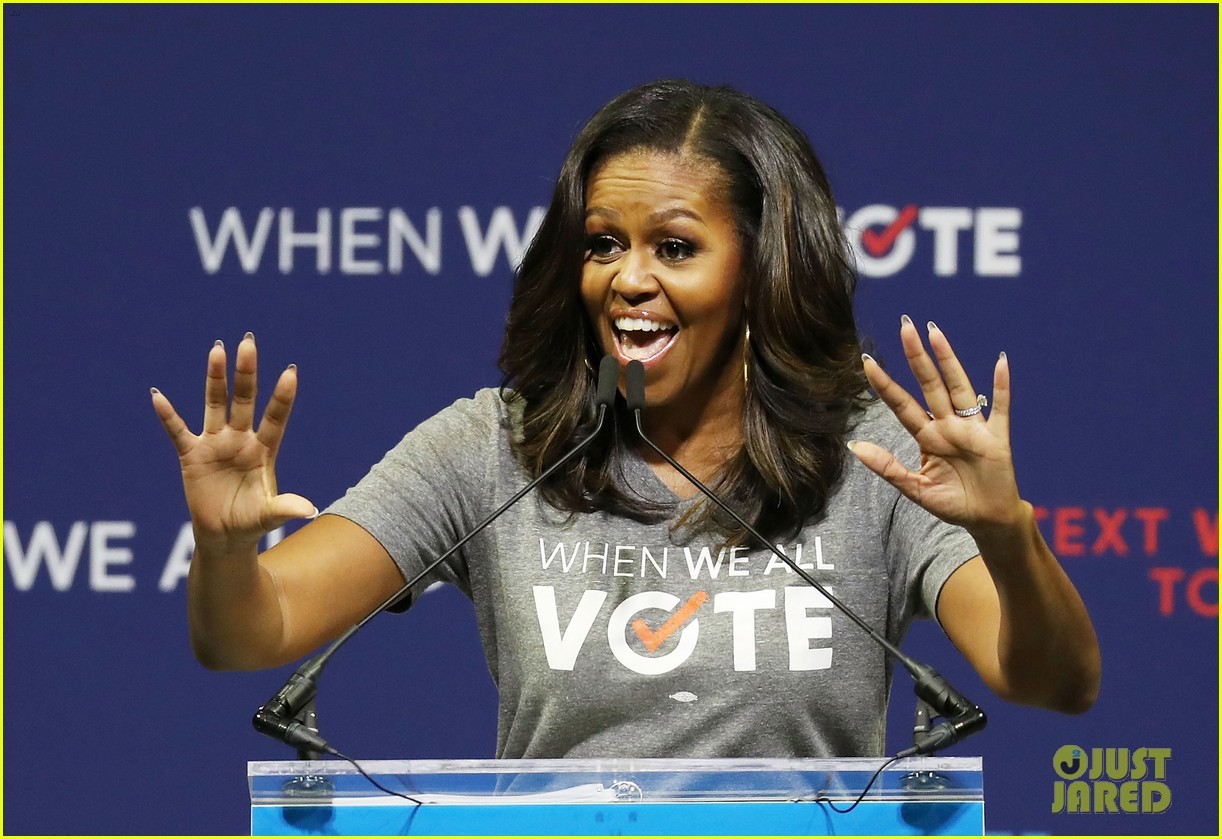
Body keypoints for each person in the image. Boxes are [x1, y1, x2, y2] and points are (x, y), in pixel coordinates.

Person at [152, 79, 1100, 759]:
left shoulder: (872, 455)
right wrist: (226, 550)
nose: (627, 278)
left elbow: (1056, 680)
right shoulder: (495, 447)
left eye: (674, 247)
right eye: (603, 243)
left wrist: (1006, 533)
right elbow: (250, 634)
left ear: (762, 269)